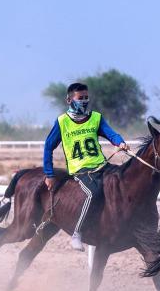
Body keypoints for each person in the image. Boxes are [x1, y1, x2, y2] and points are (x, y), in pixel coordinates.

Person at [43, 82, 128, 251]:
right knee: (93, 193)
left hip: (102, 165)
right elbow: (48, 146)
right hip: (81, 170)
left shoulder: (96, 117)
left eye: (86, 98)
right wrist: (49, 174)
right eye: (79, 98)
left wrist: (120, 142)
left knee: (123, 180)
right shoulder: (62, 122)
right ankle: (77, 233)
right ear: (69, 100)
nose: (84, 101)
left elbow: (111, 134)